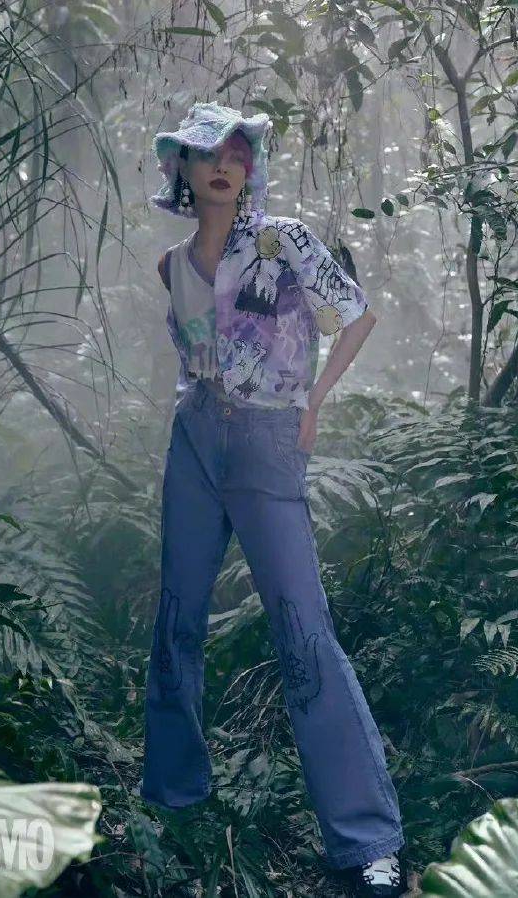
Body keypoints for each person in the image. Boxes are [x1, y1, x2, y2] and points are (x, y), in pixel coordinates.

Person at [139, 101, 409, 897]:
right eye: (204, 152)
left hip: (267, 439)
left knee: (302, 631)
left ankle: (368, 844)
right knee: (178, 617)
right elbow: (196, 359)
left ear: (249, 167)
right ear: (182, 171)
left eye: (236, 150)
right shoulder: (172, 264)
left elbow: (354, 316)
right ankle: (175, 794)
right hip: (194, 441)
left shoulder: (281, 239)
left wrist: (314, 402)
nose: (223, 163)